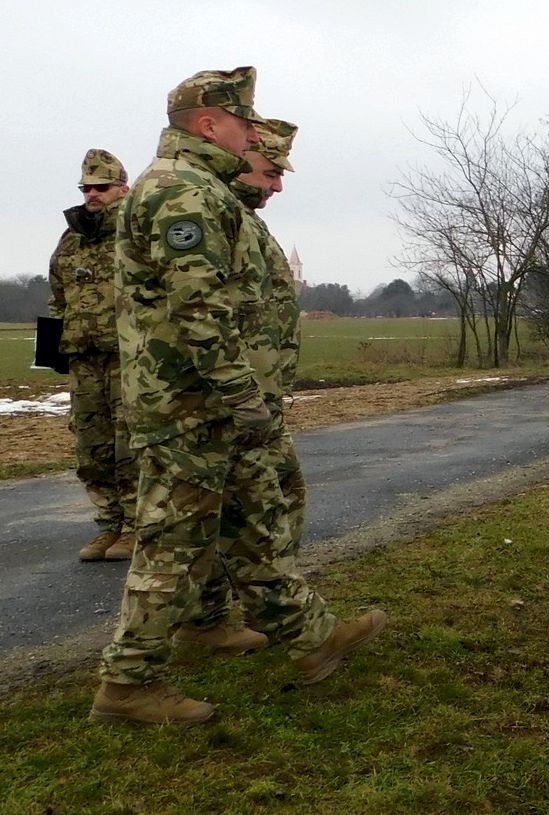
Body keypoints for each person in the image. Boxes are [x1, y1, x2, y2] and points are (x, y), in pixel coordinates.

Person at [92, 67, 385, 725]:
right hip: (192, 406)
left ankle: (309, 638)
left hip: (209, 404)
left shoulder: (200, 189)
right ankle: (129, 682)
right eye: (244, 124)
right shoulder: (181, 192)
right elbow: (198, 307)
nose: (253, 135)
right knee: (173, 542)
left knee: (252, 522)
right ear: (208, 124)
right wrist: (242, 394)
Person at [181, 117, 306, 653]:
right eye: (270, 171)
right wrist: (242, 393)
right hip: (231, 401)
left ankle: (214, 618)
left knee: (231, 510)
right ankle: (287, 623)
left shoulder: (240, 218)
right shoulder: (215, 214)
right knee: (262, 506)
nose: (277, 185)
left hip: (253, 396)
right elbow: (201, 312)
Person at [48, 149, 136, 562]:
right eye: (86, 188)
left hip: (129, 358)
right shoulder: (71, 239)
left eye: (101, 187)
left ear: (123, 189)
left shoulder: (136, 233)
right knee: (92, 447)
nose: (92, 195)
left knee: (130, 445)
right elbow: (58, 298)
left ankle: (137, 526)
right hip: (84, 360)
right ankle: (109, 524)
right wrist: (54, 354)